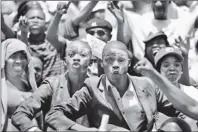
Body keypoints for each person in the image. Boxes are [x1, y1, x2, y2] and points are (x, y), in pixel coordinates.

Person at [45, 41, 179, 131]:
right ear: (102, 63)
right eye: (109, 60)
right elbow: (54, 114)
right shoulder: (92, 87)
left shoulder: (146, 83)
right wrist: (87, 131)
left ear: (129, 63)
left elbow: (178, 110)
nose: (115, 64)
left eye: (121, 60)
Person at [11, 40, 92, 132]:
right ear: (65, 61)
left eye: (83, 55)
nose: (76, 58)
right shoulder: (52, 84)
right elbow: (20, 114)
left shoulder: (97, 86)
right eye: (71, 54)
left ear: (91, 62)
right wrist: (34, 130)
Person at [154, 46, 198, 130]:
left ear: (182, 69)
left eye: (177, 65)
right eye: (166, 65)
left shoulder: (194, 92)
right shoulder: (153, 93)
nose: (172, 68)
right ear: (158, 70)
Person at [1, 38, 37, 131]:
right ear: (3, 59)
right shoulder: (1, 86)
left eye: (22, 57)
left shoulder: (29, 85)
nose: (19, 61)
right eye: (13, 56)